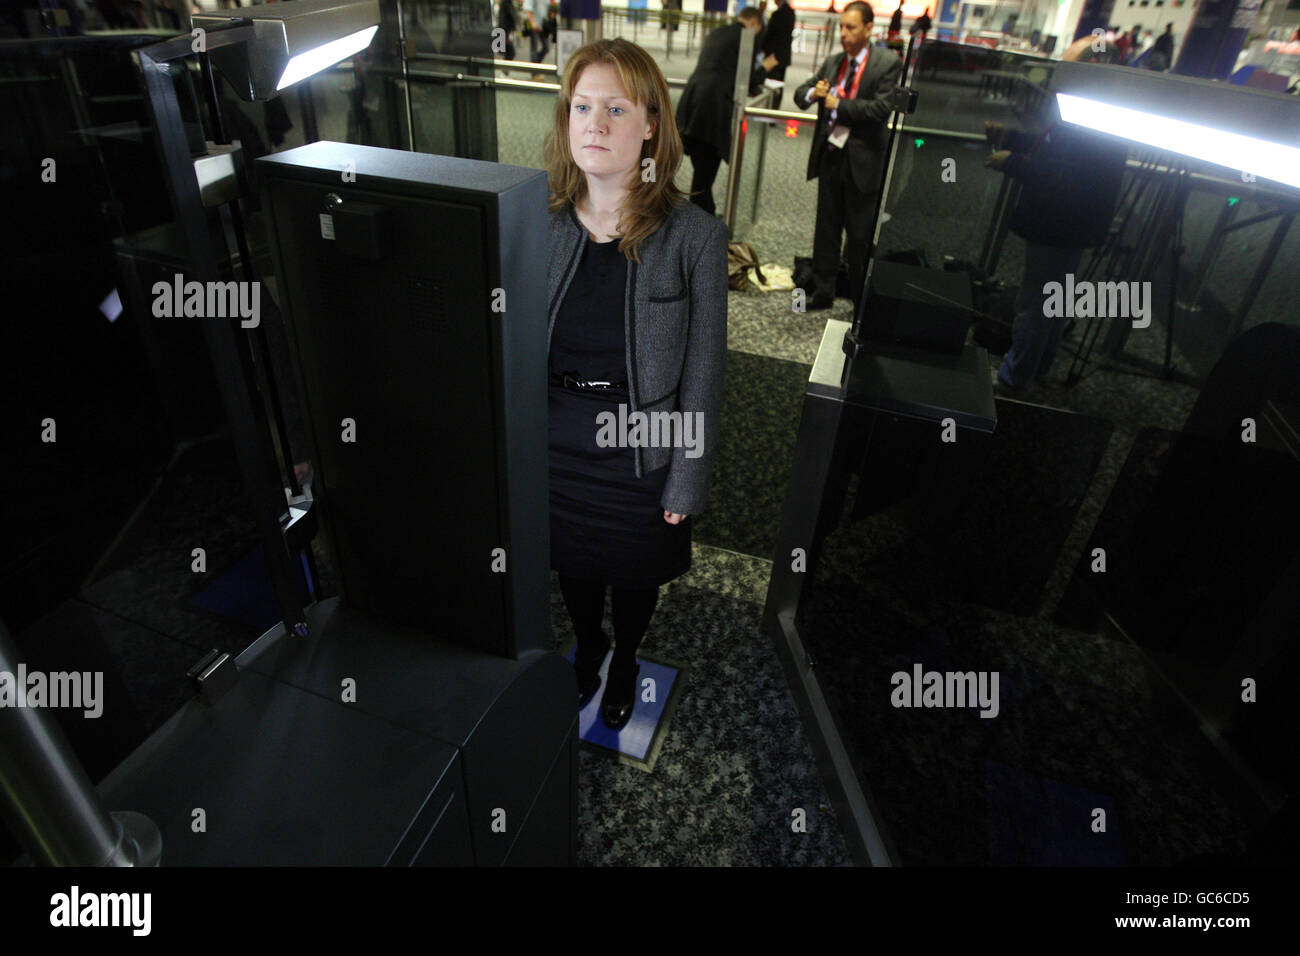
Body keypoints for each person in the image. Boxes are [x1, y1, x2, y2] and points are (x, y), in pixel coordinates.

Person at [542, 39, 729, 729]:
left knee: (634, 571)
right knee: (575, 567)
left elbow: (705, 373)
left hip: (642, 445)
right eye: (582, 107)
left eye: (615, 108)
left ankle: (625, 655)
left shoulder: (694, 237)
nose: (594, 124)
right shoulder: (541, 221)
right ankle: (588, 645)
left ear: (651, 124)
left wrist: (688, 479)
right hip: (557, 436)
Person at [983, 41, 1128, 392]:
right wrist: (1013, 140)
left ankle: (1013, 380)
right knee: (1053, 301)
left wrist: (1012, 162)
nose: (1058, 73)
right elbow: (1054, 155)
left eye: (1067, 65)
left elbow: (1065, 175)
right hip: (1068, 224)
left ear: (1089, 69)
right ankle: (1037, 368)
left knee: (1035, 304)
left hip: (1061, 224)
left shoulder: (1091, 118)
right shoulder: (1091, 110)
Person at [795, 1, 902, 309]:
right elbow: (801, 94)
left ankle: (860, 299)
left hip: (863, 161)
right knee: (826, 228)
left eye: (851, 27)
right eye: (842, 27)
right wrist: (813, 93)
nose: (843, 33)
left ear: (869, 28)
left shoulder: (887, 63)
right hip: (831, 156)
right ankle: (824, 290)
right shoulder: (833, 61)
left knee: (858, 235)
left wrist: (838, 105)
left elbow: (881, 109)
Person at [676, 7, 778, 215]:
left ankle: (706, 214)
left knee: (701, 170)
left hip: (691, 103)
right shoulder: (746, 37)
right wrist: (767, 66)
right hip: (713, 111)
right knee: (704, 174)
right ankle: (698, 223)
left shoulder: (717, 33)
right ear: (755, 23)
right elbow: (749, 78)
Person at [763, 0, 797, 107]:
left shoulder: (777, 14)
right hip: (783, 57)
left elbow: (769, 35)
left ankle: (770, 109)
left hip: (773, 57)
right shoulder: (791, 12)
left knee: (772, 85)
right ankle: (774, 108)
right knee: (779, 84)